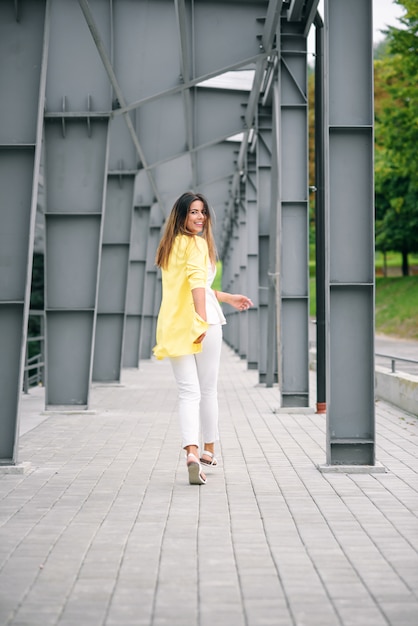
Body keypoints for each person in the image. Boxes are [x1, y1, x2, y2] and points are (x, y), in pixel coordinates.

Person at [153, 191, 253, 485]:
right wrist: (201, 319)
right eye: (193, 212)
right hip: (202, 323)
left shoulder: (168, 247)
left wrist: (227, 297)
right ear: (181, 215)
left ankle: (193, 452)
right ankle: (209, 449)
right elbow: (197, 285)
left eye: (203, 212)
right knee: (206, 390)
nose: (200, 217)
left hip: (173, 325)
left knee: (187, 392)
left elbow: (192, 287)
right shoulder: (197, 244)